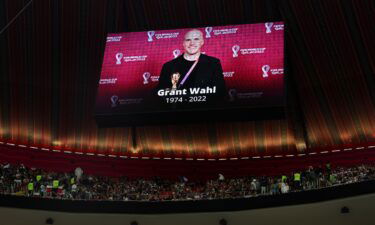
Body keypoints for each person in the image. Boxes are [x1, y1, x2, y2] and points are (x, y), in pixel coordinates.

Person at [155, 29, 226, 106]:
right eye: (188, 40)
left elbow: (220, 91)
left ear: (202, 42)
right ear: (183, 43)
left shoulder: (213, 63)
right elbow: (161, 93)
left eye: (196, 39)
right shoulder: (169, 66)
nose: (192, 43)